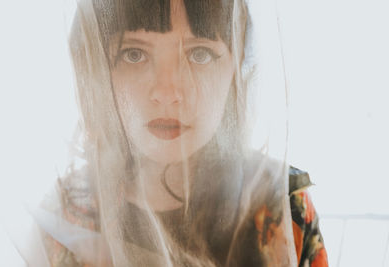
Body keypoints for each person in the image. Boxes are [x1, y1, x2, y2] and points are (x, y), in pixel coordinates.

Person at [22, 0, 328, 266]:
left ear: (235, 71)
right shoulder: (64, 217)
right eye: (133, 54)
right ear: (97, 71)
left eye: (200, 55)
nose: (167, 92)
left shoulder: (283, 208)